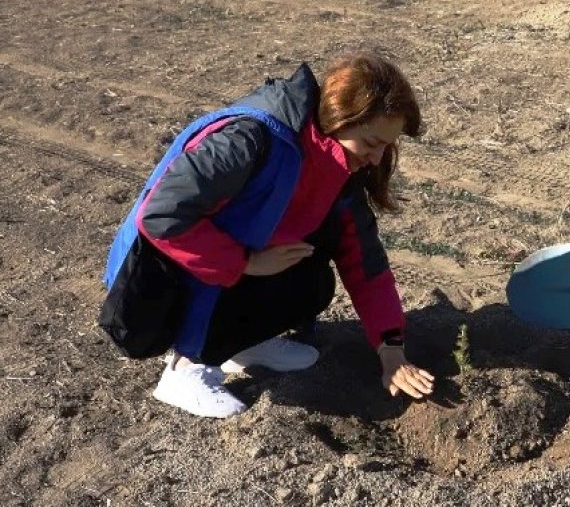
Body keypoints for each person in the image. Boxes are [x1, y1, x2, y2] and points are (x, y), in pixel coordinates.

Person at [100, 53, 435, 418]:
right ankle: (185, 367)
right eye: (371, 143)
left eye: (386, 146)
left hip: (227, 269)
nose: (376, 158)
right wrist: (246, 262)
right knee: (253, 235)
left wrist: (391, 349)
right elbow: (163, 218)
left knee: (311, 278)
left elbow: (364, 258)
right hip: (150, 284)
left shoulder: (337, 166)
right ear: (341, 120)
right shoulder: (249, 140)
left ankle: (238, 345)